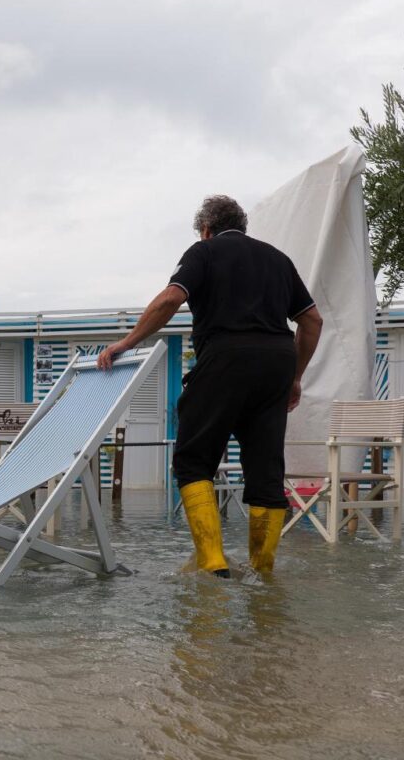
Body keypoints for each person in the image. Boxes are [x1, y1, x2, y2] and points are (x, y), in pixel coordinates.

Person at [96, 195, 323, 576]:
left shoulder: (204, 252)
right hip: (276, 365)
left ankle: (213, 563)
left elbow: (171, 298)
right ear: (242, 226)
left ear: (205, 229)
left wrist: (126, 343)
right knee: (266, 470)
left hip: (226, 358)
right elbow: (312, 321)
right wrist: (295, 377)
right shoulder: (278, 259)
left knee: (193, 460)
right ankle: (262, 572)